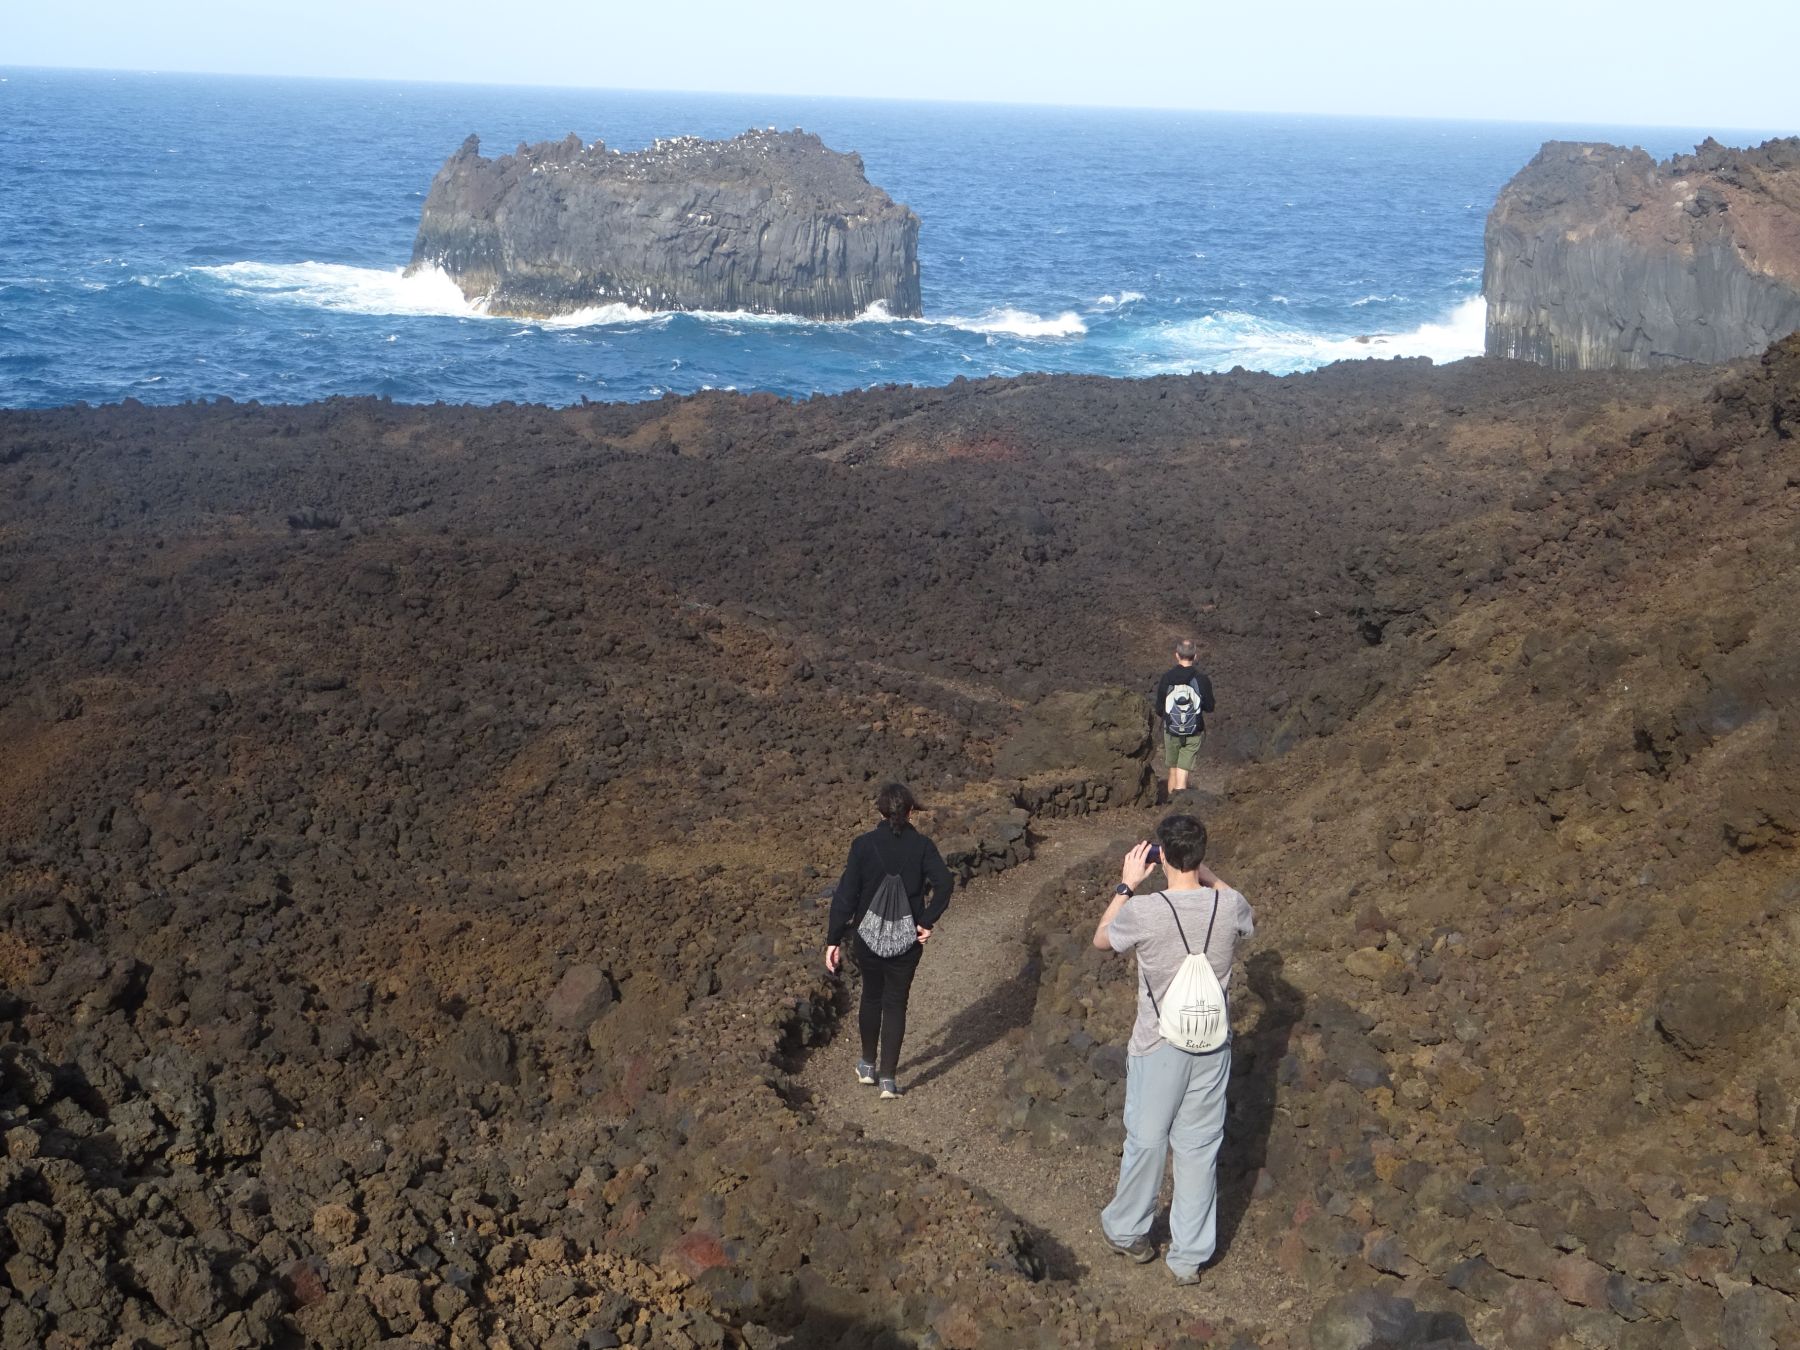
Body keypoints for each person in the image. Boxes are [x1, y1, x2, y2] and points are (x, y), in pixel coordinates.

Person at [1090, 812, 1254, 1285]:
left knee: (1146, 1140)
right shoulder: (1229, 905)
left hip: (1158, 1043)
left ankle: (1127, 1230)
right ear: (1201, 854)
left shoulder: (1145, 910)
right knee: (1199, 1147)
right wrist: (1205, 873)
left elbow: (1102, 939)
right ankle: (1188, 1256)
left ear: (1161, 857)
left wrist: (1126, 886)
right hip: (1212, 1043)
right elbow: (1247, 914)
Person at [824, 782, 953, 1099]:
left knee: (871, 996)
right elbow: (945, 884)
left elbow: (845, 896)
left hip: (866, 940)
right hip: (906, 943)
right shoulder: (922, 847)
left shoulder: (863, 845)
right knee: (895, 1004)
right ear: (911, 812)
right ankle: (889, 1081)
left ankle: (867, 1066)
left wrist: (833, 939)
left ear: (881, 811)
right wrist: (925, 921)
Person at [1152, 639, 1216, 801]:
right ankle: (1178, 808)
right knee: (1183, 771)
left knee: (1173, 770)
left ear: (1176, 655)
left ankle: (1169, 807)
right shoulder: (1202, 679)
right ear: (1195, 656)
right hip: (1193, 731)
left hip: (1171, 729)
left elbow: (1159, 707)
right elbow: (1209, 707)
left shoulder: (1167, 678)